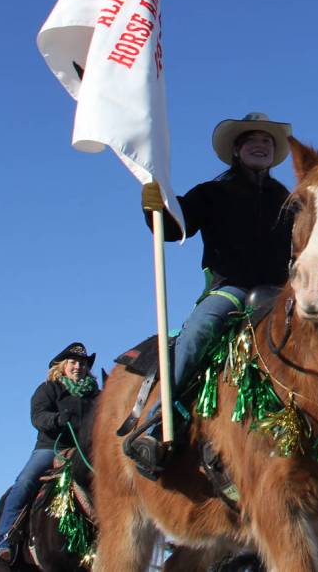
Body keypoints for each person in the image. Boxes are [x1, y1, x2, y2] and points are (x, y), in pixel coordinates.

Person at [123, 112, 294, 479]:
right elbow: (171, 228)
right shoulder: (213, 193)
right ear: (237, 150)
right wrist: (155, 204)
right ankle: (158, 424)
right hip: (231, 291)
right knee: (199, 330)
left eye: (267, 141)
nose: (260, 145)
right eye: (252, 140)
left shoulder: (290, 201)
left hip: (282, 296)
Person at [0, 342, 99, 563]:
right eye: (73, 362)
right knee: (25, 481)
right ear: (62, 366)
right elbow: (38, 416)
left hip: (86, 450)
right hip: (51, 448)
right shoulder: (49, 389)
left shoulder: (96, 395)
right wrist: (57, 419)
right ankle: (6, 538)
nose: (78, 366)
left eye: (82, 363)